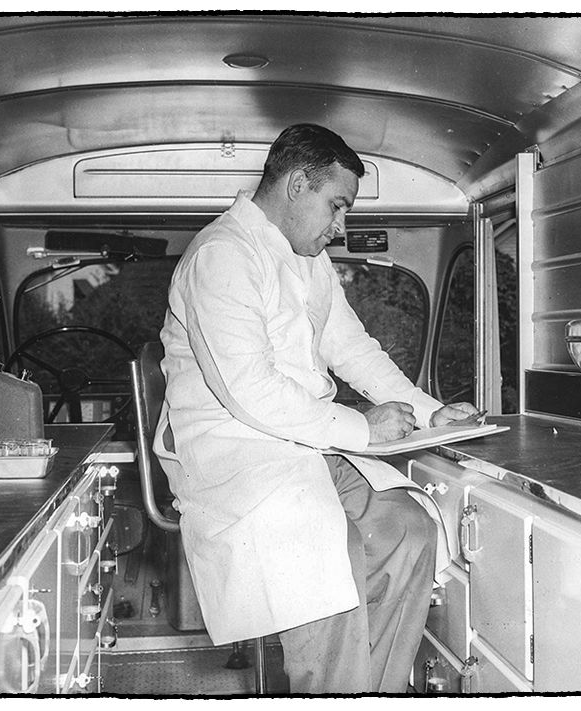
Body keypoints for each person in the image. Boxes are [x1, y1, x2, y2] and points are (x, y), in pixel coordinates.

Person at [153, 123, 477, 694]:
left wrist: (429, 413)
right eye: (337, 206)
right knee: (330, 559)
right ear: (298, 184)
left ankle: (371, 692)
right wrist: (361, 427)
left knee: (410, 528)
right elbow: (247, 390)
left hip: (305, 444)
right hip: (238, 456)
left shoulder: (306, 258)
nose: (341, 227)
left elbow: (353, 350)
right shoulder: (223, 255)